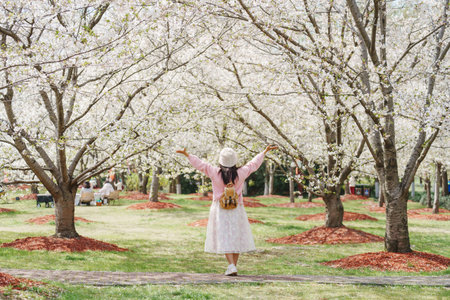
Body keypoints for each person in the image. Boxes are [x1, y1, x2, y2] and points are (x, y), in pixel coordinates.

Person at [176, 145, 278, 276]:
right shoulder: (241, 172)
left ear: (221, 161)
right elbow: (253, 164)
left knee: (224, 236)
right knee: (236, 236)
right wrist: (263, 152)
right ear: (234, 161)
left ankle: (231, 265)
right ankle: (233, 266)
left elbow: (201, 165)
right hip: (237, 208)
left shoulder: (214, 172)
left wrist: (188, 155)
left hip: (220, 208)